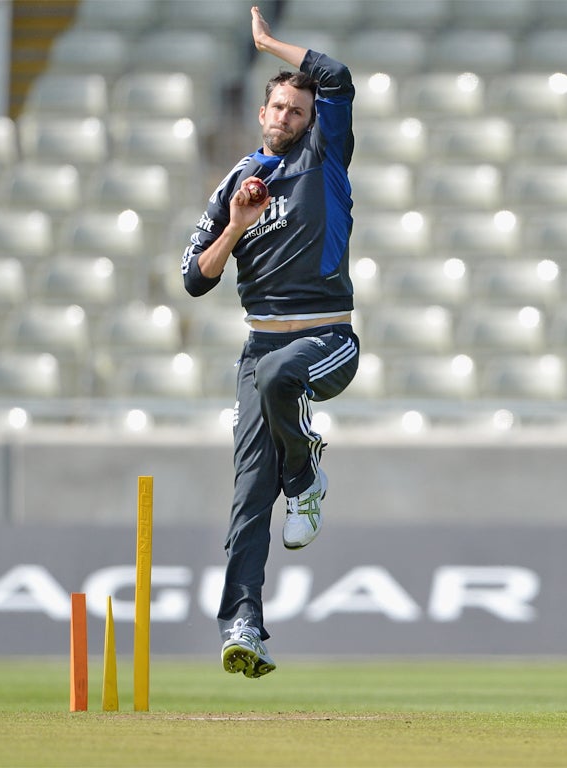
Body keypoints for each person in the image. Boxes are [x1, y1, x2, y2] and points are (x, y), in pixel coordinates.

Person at [181, 6, 358, 678]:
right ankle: (244, 626)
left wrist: (264, 42)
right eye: (278, 108)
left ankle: (306, 470)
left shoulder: (325, 157)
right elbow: (193, 279)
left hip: (328, 339)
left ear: (311, 121)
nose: (287, 119)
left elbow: (336, 75)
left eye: (297, 111)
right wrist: (237, 225)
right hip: (259, 349)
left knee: (286, 374)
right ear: (263, 114)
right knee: (249, 493)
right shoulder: (236, 184)